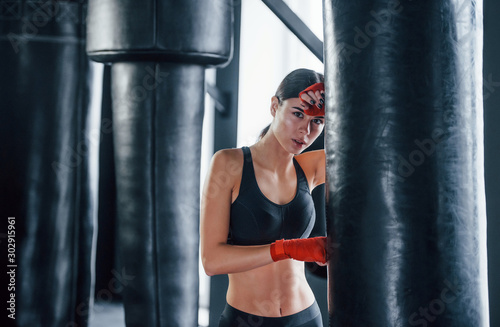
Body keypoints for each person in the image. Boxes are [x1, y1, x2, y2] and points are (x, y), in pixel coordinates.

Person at [200, 68, 328, 327]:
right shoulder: (229, 164)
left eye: (317, 121)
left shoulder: (312, 167)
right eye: (297, 113)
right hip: (244, 319)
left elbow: (373, 151)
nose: (305, 130)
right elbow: (211, 261)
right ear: (274, 106)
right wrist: (286, 249)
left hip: (305, 317)